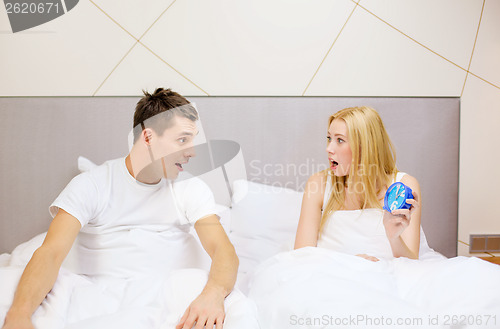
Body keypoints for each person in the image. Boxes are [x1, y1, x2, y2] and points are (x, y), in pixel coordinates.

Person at [2, 88, 241, 329]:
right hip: (100, 292)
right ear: (148, 138)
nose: (191, 152)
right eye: (182, 140)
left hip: (169, 289)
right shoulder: (93, 184)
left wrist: (214, 293)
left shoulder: (191, 188)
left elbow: (223, 249)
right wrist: (19, 314)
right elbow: (51, 253)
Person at [294, 106, 421, 261]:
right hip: (330, 275)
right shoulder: (318, 184)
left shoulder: (403, 186)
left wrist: (393, 237)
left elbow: (412, 264)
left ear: (365, 147)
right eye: (329, 138)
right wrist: (350, 264)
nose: (329, 148)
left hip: (387, 277)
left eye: (340, 140)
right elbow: (300, 258)